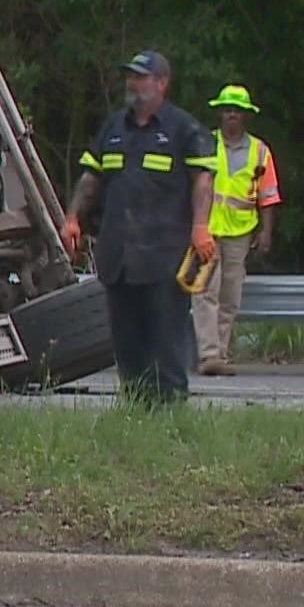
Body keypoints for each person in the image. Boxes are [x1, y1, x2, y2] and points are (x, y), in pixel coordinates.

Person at [59, 51, 217, 404]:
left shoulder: (183, 129)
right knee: (127, 341)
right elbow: (91, 179)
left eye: (141, 77)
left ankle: (170, 409)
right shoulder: (113, 128)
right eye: (130, 77)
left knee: (165, 338)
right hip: (120, 257)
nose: (133, 83)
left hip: (164, 256)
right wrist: (72, 218)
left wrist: (201, 228)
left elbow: (202, 182)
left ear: (162, 83)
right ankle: (134, 408)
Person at [193, 84, 280, 376]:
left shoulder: (259, 151)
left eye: (236, 110)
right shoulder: (205, 143)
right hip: (208, 228)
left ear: (246, 116)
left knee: (230, 295)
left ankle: (221, 352)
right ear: (220, 114)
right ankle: (209, 355)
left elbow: (268, 195)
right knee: (205, 291)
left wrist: (266, 232)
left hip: (240, 232)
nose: (231, 115)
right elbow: (192, 186)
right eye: (227, 110)